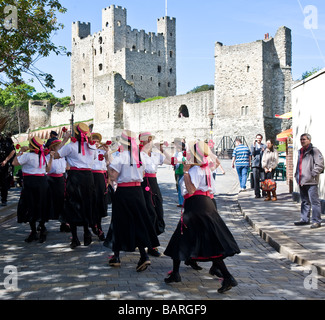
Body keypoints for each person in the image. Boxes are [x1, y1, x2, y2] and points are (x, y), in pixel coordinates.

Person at [164, 140, 241, 293]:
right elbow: (215, 162)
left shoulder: (194, 171)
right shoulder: (205, 168)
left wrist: (185, 172)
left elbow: (191, 190)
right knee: (183, 239)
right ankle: (176, 273)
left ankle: (227, 276)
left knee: (191, 240)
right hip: (206, 203)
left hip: (196, 206)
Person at [104, 130, 160, 272]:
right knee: (138, 222)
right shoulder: (141, 155)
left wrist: (108, 164)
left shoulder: (121, 156)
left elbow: (113, 176)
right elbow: (147, 171)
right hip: (138, 192)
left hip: (123, 192)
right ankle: (143, 255)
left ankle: (116, 256)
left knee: (118, 222)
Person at [54, 123, 96, 248]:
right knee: (86, 203)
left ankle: (75, 238)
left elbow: (56, 154)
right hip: (88, 177)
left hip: (75, 176)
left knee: (72, 204)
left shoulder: (70, 146)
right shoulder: (92, 147)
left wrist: (64, 140)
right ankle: (86, 232)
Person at [13, 136, 53, 243]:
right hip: (42, 182)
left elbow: (14, 163)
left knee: (31, 205)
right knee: (41, 204)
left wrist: (20, 151)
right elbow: (47, 169)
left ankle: (34, 231)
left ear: (31, 146)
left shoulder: (28, 156)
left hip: (31, 183)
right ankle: (42, 228)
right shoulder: (43, 156)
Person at [139, 132, 166, 257]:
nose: (150, 141)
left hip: (154, 182)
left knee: (158, 210)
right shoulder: (139, 154)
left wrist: (164, 149)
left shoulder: (155, 154)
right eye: (147, 140)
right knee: (150, 213)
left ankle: (151, 241)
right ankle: (151, 245)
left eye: (150, 139)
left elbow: (171, 161)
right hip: (144, 183)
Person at [294, 133, 324, 229]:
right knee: (304, 202)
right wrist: (296, 175)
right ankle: (304, 219)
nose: (302, 141)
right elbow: (299, 165)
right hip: (302, 180)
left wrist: (313, 174)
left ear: (309, 140)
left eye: (304, 139)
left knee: (314, 202)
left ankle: (316, 221)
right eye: (301, 139)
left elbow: (320, 165)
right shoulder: (300, 151)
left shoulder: (314, 151)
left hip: (311, 181)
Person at [45, 138, 70, 233]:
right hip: (51, 180)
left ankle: (64, 222)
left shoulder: (63, 157)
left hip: (61, 179)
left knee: (63, 200)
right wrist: (51, 158)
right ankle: (42, 223)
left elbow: (67, 167)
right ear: (53, 147)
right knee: (49, 200)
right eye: (58, 146)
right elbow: (48, 169)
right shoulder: (48, 157)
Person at [90, 132, 110, 241]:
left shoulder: (102, 151)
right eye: (94, 141)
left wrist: (107, 152)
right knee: (93, 201)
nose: (96, 143)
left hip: (102, 177)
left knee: (100, 201)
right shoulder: (88, 151)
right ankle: (94, 224)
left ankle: (98, 225)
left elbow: (108, 163)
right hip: (92, 176)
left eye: (97, 141)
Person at [0, 134, 15, 206]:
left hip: (3, 166)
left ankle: (4, 199)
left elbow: (12, 152)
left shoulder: (5, 143)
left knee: (3, 183)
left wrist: (6, 160)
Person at [251, 134, 267, 198]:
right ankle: (257, 193)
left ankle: (264, 192)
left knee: (263, 179)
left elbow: (266, 154)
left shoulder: (264, 146)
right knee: (256, 180)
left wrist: (263, 151)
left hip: (262, 165)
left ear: (261, 139)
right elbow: (253, 153)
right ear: (256, 138)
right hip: (255, 164)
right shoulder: (253, 145)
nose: (258, 139)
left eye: (260, 138)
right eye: (257, 138)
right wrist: (254, 146)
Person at [173, 138, 185, 207]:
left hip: (182, 171)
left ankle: (182, 201)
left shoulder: (182, 153)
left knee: (181, 187)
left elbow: (179, 161)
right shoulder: (177, 153)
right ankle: (181, 201)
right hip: (179, 171)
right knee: (180, 187)